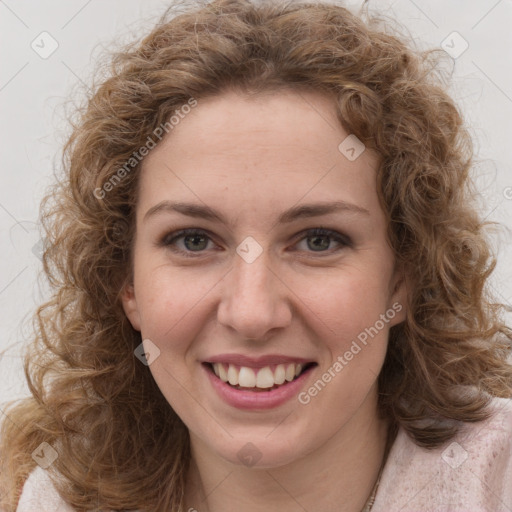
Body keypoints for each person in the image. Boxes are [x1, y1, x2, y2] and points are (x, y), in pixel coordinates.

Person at [1, 0, 511, 510]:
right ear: (125, 282)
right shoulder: (54, 496)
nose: (251, 314)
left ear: (402, 277)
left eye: (318, 240)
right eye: (193, 240)